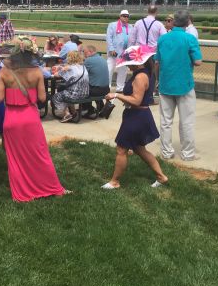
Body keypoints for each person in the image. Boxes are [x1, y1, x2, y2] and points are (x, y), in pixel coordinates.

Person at [0, 35, 67, 202]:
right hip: (30, 117)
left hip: (11, 118)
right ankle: (50, 186)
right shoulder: (36, 72)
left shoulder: (4, 72)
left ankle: (21, 190)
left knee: (15, 157)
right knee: (40, 154)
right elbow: (42, 98)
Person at [101, 46, 168, 189]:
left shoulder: (139, 76)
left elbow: (136, 100)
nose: (128, 66)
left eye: (129, 63)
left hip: (136, 117)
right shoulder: (147, 73)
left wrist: (117, 95)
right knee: (139, 149)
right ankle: (161, 177)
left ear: (137, 62)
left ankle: (115, 181)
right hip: (140, 115)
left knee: (121, 149)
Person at [156, 10, 203, 161]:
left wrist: (158, 80)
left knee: (166, 122)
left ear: (174, 21)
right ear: (188, 21)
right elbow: (198, 61)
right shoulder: (190, 38)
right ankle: (188, 154)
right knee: (186, 121)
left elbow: (157, 62)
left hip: (166, 83)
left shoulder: (163, 39)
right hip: (184, 84)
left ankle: (166, 152)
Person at [51, 50, 89, 122]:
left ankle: (66, 113)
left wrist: (59, 69)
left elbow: (56, 75)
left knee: (56, 97)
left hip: (75, 94)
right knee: (67, 92)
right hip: (85, 93)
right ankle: (74, 113)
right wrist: (63, 68)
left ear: (70, 58)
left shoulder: (70, 68)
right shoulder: (83, 67)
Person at [106, 9, 133, 92]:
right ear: (120, 16)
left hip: (125, 52)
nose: (125, 18)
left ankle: (120, 87)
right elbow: (108, 37)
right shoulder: (112, 25)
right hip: (114, 51)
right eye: (124, 16)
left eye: (127, 16)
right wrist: (111, 49)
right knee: (109, 69)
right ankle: (107, 86)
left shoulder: (130, 26)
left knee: (123, 70)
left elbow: (132, 39)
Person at [81, 45, 110, 117]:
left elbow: (81, 73)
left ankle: (89, 109)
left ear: (90, 52)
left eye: (84, 52)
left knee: (80, 89)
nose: (84, 54)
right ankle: (100, 107)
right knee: (92, 84)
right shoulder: (102, 58)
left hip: (96, 90)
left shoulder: (89, 60)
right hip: (106, 89)